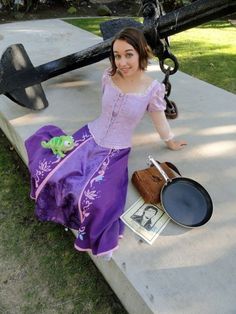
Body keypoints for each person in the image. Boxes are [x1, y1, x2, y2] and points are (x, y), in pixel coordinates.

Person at [25, 27, 187, 261]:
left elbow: (159, 118)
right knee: (52, 173)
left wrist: (170, 141)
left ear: (142, 52)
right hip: (89, 135)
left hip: (116, 152)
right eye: (117, 55)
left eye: (128, 54)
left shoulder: (152, 89)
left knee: (97, 201)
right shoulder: (108, 76)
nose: (122, 62)